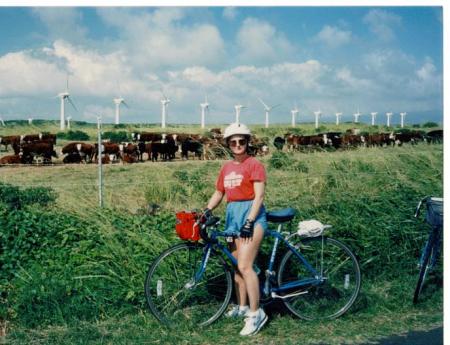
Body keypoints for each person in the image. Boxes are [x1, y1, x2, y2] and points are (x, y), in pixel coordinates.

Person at [203, 122, 268, 336]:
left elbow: (259, 196)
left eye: (242, 141)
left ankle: (256, 314)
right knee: (236, 268)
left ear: (247, 143)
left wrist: (249, 221)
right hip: (233, 216)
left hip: (252, 215)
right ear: (229, 145)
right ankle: (242, 307)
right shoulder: (226, 168)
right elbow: (219, 193)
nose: (238, 145)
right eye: (233, 142)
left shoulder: (254, 164)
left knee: (245, 266)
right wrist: (207, 209)